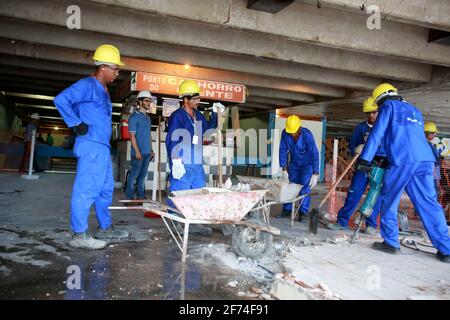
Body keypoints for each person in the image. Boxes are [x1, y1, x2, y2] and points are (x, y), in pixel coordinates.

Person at [357, 83, 450, 263]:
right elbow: (401, 135)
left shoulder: (388, 107)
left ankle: (391, 242)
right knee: (429, 203)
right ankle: (446, 249)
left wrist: (365, 159)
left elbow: (378, 133)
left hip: (404, 160)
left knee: (389, 198)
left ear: (381, 99)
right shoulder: (415, 110)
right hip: (425, 160)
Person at [54, 44, 129, 250]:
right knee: (87, 189)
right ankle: (79, 234)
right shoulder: (87, 84)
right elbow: (61, 100)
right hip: (91, 145)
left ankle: (105, 227)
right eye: (115, 68)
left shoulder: (104, 91)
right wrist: (75, 123)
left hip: (102, 147)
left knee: (105, 190)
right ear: (103, 67)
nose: (117, 72)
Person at [165, 80, 220, 234]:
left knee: (198, 189)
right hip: (182, 158)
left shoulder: (198, 115)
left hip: (196, 158)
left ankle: (194, 220)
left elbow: (208, 129)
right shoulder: (177, 116)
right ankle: (175, 221)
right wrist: (175, 160)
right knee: (179, 190)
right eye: (195, 99)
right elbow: (172, 138)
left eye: (198, 98)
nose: (198, 101)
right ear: (185, 99)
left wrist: (215, 113)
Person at [326, 97, 384, 234]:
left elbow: (389, 148)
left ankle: (370, 225)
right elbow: (352, 147)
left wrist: (374, 148)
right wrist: (357, 148)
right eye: (368, 113)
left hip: (379, 166)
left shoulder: (385, 129)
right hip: (362, 165)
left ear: (379, 111)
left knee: (375, 196)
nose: (371, 115)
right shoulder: (360, 128)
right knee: (354, 192)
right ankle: (342, 221)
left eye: (374, 112)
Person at [278, 115, 319, 222]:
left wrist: (315, 173)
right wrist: (284, 169)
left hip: (307, 165)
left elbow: (315, 153)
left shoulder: (307, 135)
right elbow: (282, 150)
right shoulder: (285, 133)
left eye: (294, 132)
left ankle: (303, 212)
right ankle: (286, 210)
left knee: (304, 186)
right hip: (294, 164)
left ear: (299, 128)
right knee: (290, 185)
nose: (292, 134)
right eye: (290, 132)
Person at [125, 90, 154, 200]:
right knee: (134, 176)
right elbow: (132, 136)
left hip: (147, 153)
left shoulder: (148, 118)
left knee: (142, 176)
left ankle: (141, 196)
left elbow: (149, 135)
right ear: (140, 102)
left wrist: (151, 150)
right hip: (138, 153)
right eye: (146, 100)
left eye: (149, 101)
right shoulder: (134, 117)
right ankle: (129, 197)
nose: (148, 103)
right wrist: (137, 151)